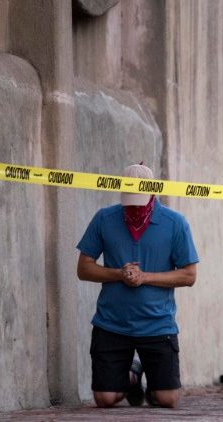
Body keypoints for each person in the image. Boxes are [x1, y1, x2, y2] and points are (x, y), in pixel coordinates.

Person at [76, 164, 199, 408]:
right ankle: (131, 375)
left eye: (139, 201)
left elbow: (189, 275)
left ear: (153, 194)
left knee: (167, 399)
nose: (134, 207)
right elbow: (84, 269)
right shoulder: (104, 218)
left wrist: (145, 277)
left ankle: (152, 385)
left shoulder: (175, 223)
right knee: (105, 399)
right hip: (111, 324)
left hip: (157, 324)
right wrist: (118, 274)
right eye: (129, 200)